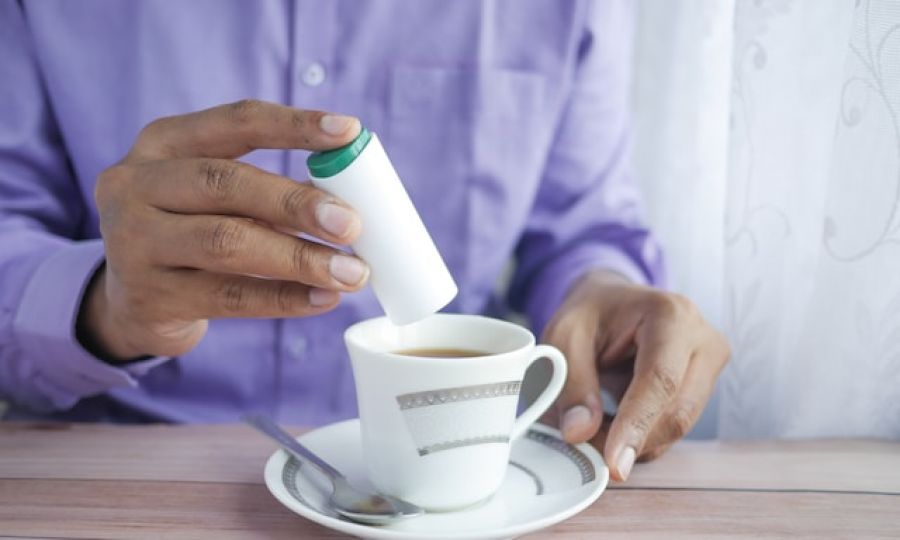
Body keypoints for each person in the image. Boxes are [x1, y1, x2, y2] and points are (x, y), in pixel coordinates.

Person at [0, 1, 729, 482]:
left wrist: (603, 292)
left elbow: (579, 228)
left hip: (450, 476)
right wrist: (109, 309)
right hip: (130, 467)